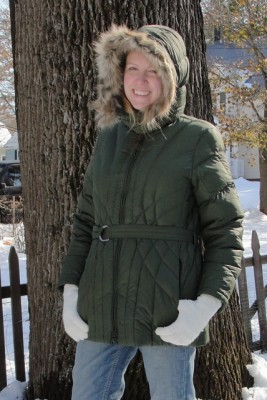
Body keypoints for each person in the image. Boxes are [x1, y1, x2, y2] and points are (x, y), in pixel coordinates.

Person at [58, 24, 244, 400]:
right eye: (132, 69)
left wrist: (204, 306)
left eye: (154, 71)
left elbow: (225, 229)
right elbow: (85, 224)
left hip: (168, 309)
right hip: (102, 306)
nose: (140, 81)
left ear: (172, 77)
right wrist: (71, 292)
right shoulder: (109, 137)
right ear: (119, 74)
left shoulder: (197, 138)